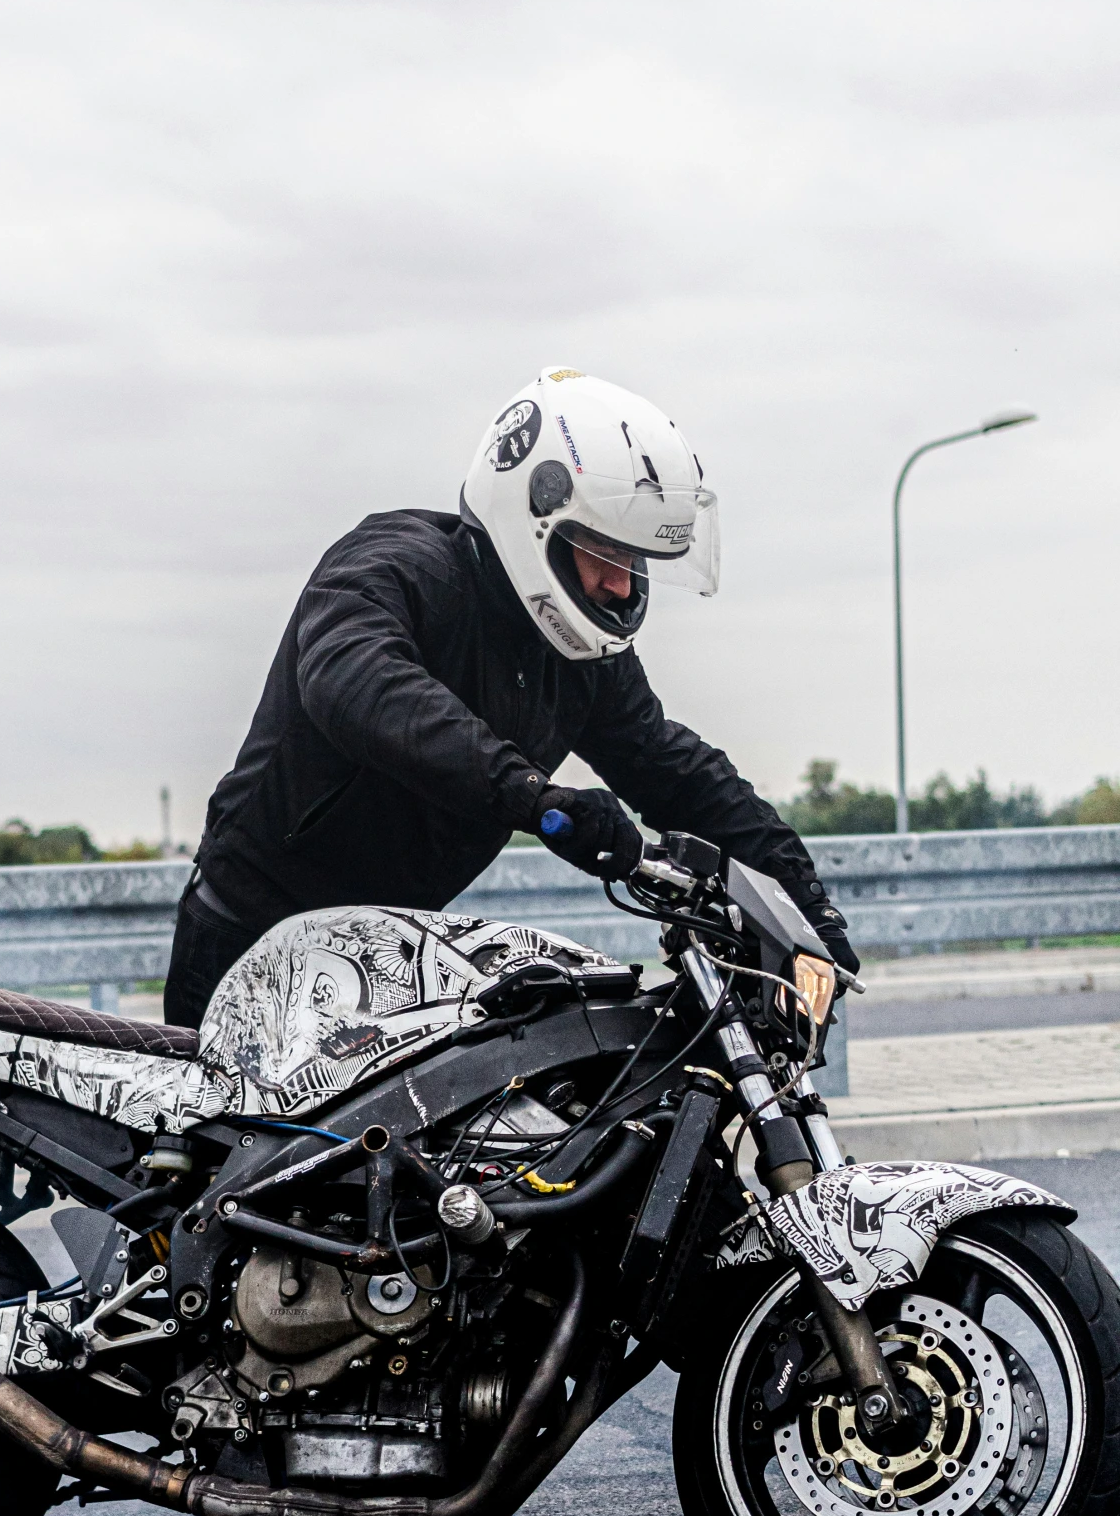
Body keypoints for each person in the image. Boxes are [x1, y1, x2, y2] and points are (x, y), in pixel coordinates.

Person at [164, 365, 857, 1028]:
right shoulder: (392, 563)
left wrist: (808, 908)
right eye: (609, 556)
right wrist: (536, 800)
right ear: (537, 516)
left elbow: (671, 767)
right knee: (239, 1152)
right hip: (253, 939)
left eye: (636, 563)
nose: (623, 587)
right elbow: (355, 682)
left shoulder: (578, 654)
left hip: (390, 954)